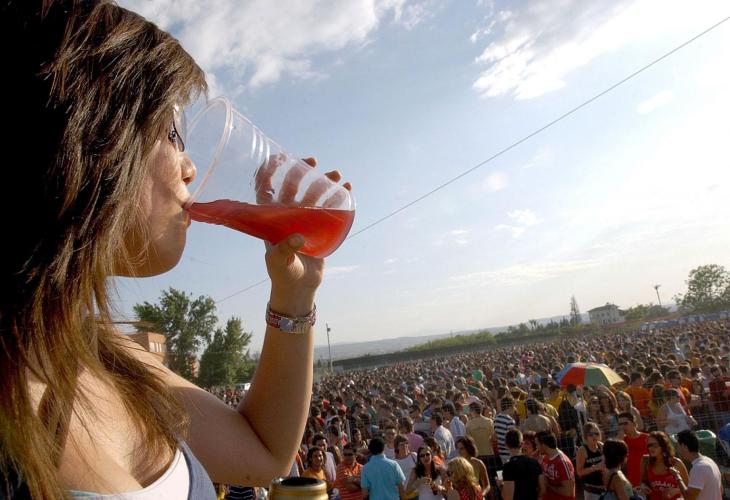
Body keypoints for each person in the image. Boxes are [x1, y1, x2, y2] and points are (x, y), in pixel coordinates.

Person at [1, 1, 350, 499]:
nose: (190, 167)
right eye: (170, 133)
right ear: (88, 137)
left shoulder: (101, 352)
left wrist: (294, 296)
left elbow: (263, 453)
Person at [673, 430, 722, 500]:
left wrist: (677, 476)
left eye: (678, 446)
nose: (677, 450)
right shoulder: (710, 461)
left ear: (684, 446)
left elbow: (688, 498)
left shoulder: (698, 468)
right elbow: (720, 490)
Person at [638, 431, 689, 500]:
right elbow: (642, 481)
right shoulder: (646, 460)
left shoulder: (676, 463)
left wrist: (675, 491)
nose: (651, 448)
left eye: (654, 445)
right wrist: (643, 486)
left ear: (663, 445)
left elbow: (689, 487)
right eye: (649, 445)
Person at [500, 429, 545, 500]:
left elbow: (508, 497)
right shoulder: (534, 462)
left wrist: (501, 485)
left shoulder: (508, 467)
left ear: (506, 445)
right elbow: (543, 489)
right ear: (522, 444)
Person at [536, 430, 575, 500]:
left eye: (537, 444)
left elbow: (568, 491)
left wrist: (548, 485)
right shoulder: (546, 457)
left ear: (543, 445)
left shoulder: (562, 462)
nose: (536, 447)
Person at [617, 412, 648, 488]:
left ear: (634, 424)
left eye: (625, 423)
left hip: (647, 482)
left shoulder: (647, 438)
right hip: (630, 484)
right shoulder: (620, 441)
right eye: (620, 424)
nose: (622, 427)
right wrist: (619, 442)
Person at [575, 423, 604, 500]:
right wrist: (594, 468)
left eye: (596, 433)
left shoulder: (601, 446)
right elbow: (579, 472)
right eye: (591, 434)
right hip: (592, 491)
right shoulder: (582, 450)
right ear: (586, 436)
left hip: (605, 489)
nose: (594, 436)